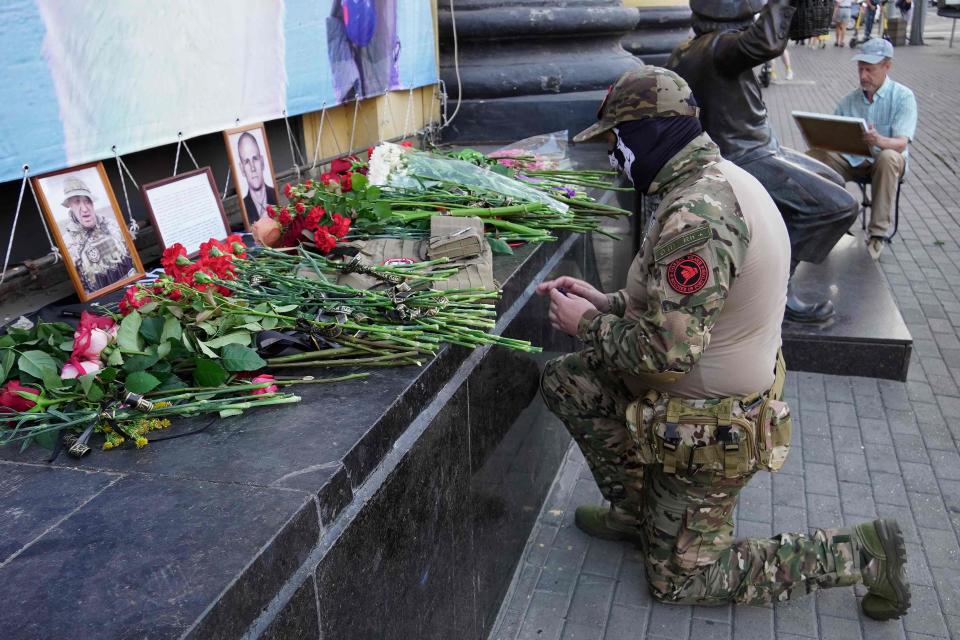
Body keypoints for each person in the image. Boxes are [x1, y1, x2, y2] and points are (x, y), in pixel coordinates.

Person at [540, 66, 909, 618]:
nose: (614, 155)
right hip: (684, 398)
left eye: (618, 141)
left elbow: (669, 352)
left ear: (651, 134)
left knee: (679, 582)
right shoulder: (701, 182)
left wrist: (584, 324)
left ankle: (862, 553)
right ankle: (642, 513)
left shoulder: (700, 216)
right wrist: (606, 303)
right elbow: (678, 308)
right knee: (569, 381)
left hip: (708, 425)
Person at [667, 0, 860, 323]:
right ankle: (775, 289)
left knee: (834, 181)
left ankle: (775, 245)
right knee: (838, 206)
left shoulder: (690, 48)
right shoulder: (719, 47)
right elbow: (765, 43)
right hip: (745, 156)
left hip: (755, 148)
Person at [807, 39, 916, 260]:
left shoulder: (903, 97)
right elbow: (833, 135)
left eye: (870, 70)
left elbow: (902, 142)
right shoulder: (850, 101)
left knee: (888, 157)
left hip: (885, 162)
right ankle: (831, 223)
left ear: (887, 66)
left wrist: (879, 141)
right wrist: (820, 137)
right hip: (854, 160)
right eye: (860, 69)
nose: (863, 76)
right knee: (816, 158)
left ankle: (877, 234)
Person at [60, 177, 135, 294]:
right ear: (70, 205)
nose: (84, 209)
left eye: (87, 201)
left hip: (130, 288)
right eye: (77, 202)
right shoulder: (67, 241)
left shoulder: (112, 225)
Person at [237, 131, 278, 221]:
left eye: (255, 159)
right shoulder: (244, 206)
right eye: (247, 162)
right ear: (242, 169)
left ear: (262, 162)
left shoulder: (275, 195)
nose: (252, 168)